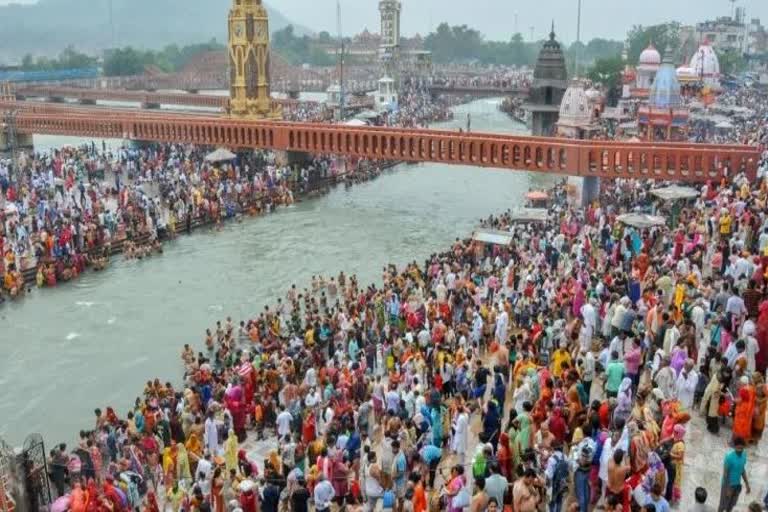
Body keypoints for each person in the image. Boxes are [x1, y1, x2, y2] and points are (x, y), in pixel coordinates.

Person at [718, 437, 751, 512]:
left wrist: (747, 484)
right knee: (722, 505)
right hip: (727, 485)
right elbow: (726, 474)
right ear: (735, 446)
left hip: (737, 485)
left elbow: (742, 470)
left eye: (742, 448)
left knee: (731, 505)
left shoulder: (744, 455)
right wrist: (728, 489)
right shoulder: (729, 457)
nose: (740, 450)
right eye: (738, 448)